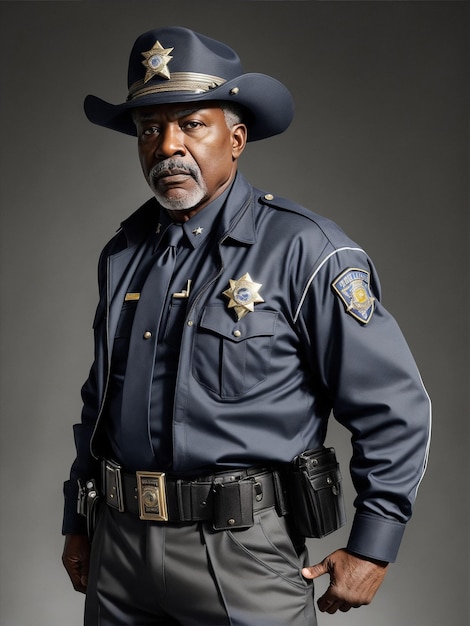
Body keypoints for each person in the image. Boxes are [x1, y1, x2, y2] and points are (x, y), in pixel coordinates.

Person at [61, 26, 431, 626]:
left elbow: (395, 406)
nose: (167, 147)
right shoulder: (124, 253)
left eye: (192, 124)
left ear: (236, 140)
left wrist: (373, 544)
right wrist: (77, 521)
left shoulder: (307, 252)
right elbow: (98, 404)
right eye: (150, 128)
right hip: (119, 552)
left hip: (241, 553)